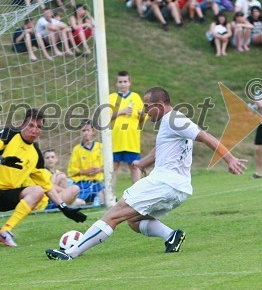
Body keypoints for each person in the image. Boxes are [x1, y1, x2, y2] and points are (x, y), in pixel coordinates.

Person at [45, 86, 247, 260]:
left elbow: (204, 136)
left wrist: (230, 159)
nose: (145, 110)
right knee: (134, 221)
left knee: (113, 214)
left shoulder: (175, 119)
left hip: (164, 183)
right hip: (178, 189)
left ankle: (71, 253)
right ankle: (171, 236)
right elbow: (160, 151)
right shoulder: (169, 124)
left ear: (160, 105)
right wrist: (141, 163)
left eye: (148, 106)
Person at [0, 108, 87, 250]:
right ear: (23, 124)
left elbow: (46, 185)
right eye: (31, 125)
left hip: (8, 194)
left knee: (38, 191)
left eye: (38, 127)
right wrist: (1, 159)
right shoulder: (8, 134)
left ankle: (5, 231)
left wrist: (63, 207)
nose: (34, 130)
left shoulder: (35, 154)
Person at [109, 71, 145, 192]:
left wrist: (142, 115)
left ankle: (138, 194)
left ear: (129, 83)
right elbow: (106, 117)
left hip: (131, 139)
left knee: (134, 166)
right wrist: (121, 111)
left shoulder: (135, 97)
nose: (123, 84)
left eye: (125, 81)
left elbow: (143, 120)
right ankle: (111, 195)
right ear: (116, 83)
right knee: (113, 167)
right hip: (115, 139)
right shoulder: (111, 98)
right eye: (120, 82)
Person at [67, 119, 104, 206]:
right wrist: (86, 171)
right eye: (83, 131)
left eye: (88, 130)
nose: (86, 133)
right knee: (79, 203)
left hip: (98, 182)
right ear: (80, 132)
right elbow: (71, 171)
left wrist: (99, 169)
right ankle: (87, 201)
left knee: (108, 200)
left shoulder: (100, 147)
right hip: (83, 184)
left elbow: (109, 166)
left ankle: (96, 199)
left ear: (93, 131)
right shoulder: (77, 149)